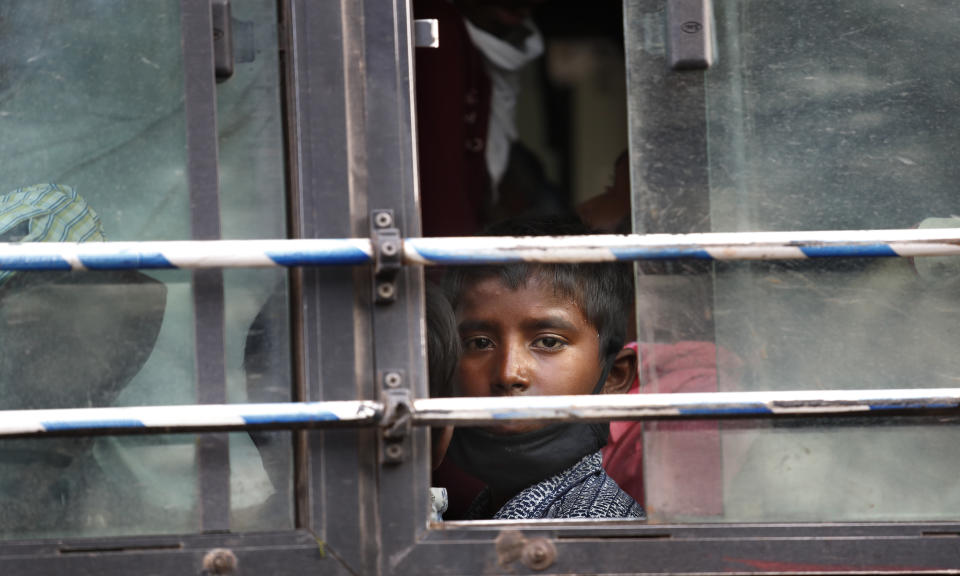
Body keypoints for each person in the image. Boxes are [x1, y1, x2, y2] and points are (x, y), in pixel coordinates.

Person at [440, 215, 645, 520]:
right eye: (480, 343)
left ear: (614, 376)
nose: (509, 374)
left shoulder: (589, 530)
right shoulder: (494, 511)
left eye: (548, 342)